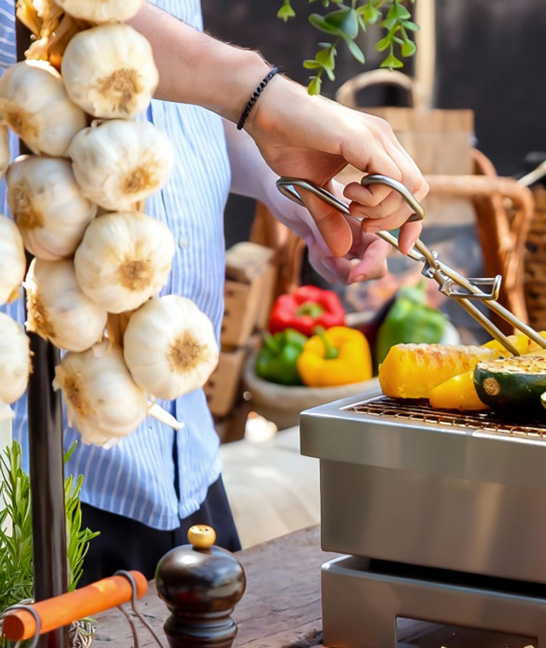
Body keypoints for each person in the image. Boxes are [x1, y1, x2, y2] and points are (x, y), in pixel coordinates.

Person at [0, 0, 428, 584]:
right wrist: (269, 98)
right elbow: (91, 26)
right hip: (46, 477)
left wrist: (292, 182)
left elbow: (176, 94)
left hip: (188, 454)